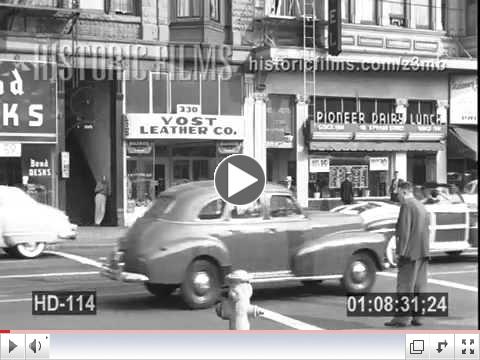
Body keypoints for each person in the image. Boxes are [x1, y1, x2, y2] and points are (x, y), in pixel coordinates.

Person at [385, 181, 430, 327]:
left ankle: (401, 318)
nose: (397, 197)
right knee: (419, 286)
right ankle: (419, 317)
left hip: (409, 252)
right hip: (423, 250)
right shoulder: (420, 205)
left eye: (398, 193)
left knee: (404, 286)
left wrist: (400, 252)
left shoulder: (407, 206)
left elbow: (404, 232)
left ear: (404, 192)